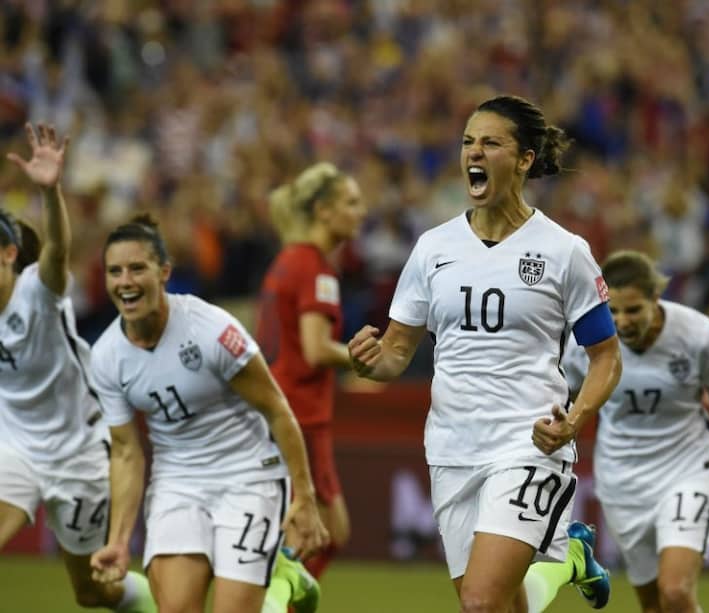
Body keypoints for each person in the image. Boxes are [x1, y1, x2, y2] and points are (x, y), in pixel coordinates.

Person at [347, 94, 622, 613]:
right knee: (499, 607)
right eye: (468, 142)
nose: (474, 152)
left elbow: (606, 356)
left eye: (491, 143)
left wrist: (575, 420)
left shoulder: (564, 251)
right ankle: (570, 561)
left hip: (527, 444)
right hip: (452, 448)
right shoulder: (433, 248)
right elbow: (395, 353)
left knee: (479, 600)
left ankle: (567, 559)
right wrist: (367, 360)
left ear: (524, 160)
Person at [87, 214, 330, 613]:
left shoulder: (212, 330)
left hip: (248, 475)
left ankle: (282, 582)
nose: (125, 281)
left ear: (164, 272)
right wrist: (118, 540)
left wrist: (304, 498)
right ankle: (278, 581)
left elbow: (277, 410)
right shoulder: (106, 357)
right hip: (178, 481)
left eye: (137, 268)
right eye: (115, 271)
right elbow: (126, 453)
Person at [0, 123, 156, 613]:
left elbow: (57, 251)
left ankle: (156, 602)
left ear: (8, 254)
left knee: (92, 592)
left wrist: (50, 193)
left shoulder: (35, 291)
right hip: (16, 449)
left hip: (79, 453)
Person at [562, 250, 709, 613]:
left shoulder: (698, 335)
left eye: (634, 310)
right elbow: (561, 399)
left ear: (656, 297)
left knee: (676, 592)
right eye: (613, 311)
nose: (622, 321)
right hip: (621, 480)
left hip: (688, 468)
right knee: (653, 605)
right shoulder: (583, 346)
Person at [256, 161, 367, 578]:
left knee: (314, 532)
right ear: (323, 210)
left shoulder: (288, 260)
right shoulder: (316, 269)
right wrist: (368, 360)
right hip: (300, 416)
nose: (360, 212)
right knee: (322, 533)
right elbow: (316, 349)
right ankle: (271, 602)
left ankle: (271, 597)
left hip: (280, 408)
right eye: (351, 203)